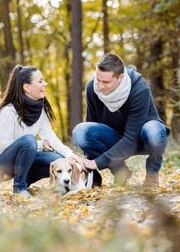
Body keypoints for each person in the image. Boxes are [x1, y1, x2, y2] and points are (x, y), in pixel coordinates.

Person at [0, 65, 85, 198]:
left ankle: (26, 183)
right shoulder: (8, 111)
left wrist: (69, 154)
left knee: (57, 160)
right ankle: (19, 189)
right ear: (27, 87)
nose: (45, 83)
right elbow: (5, 146)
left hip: (23, 158)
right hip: (0, 166)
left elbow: (51, 138)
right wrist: (39, 145)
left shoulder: (39, 109)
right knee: (29, 140)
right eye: (40, 81)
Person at [72, 53, 170, 188]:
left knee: (154, 131)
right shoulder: (92, 88)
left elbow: (131, 140)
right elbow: (91, 125)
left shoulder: (139, 88)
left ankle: (152, 175)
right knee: (80, 131)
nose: (100, 86)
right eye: (98, 79)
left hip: (141, 138)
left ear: (120, 77)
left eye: (106, 82)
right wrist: (89, 169)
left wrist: (97, 163)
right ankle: (120, 172)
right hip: (114, 138)